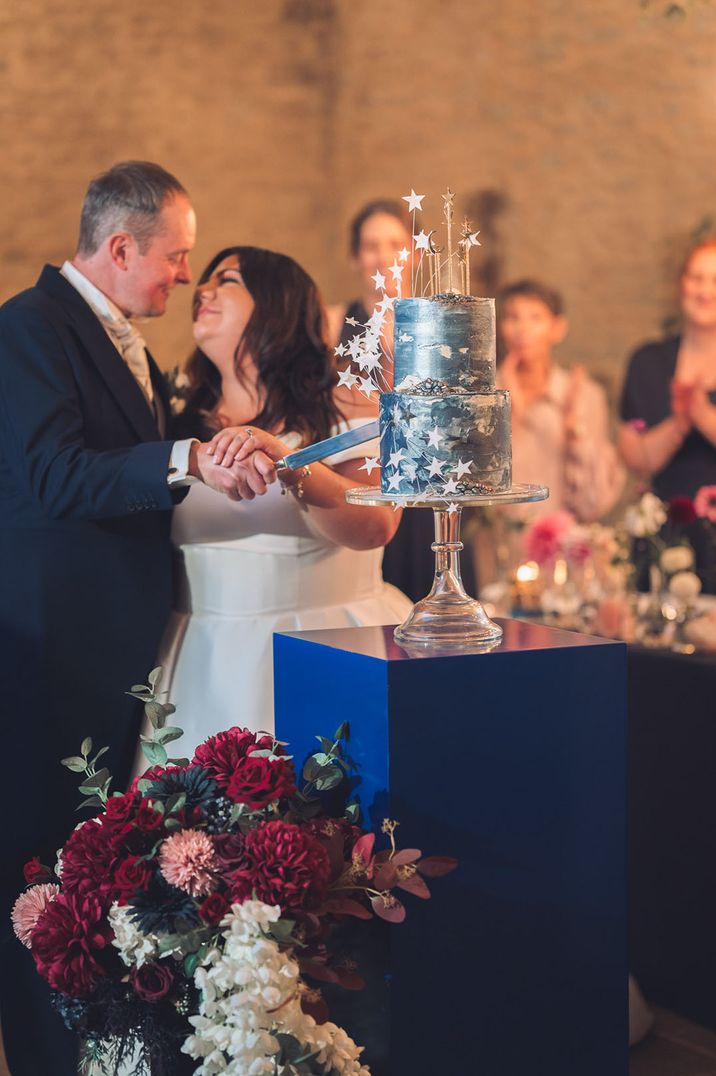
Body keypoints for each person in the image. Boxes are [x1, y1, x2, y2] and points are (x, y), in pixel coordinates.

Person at [0, 162, 267, 1076]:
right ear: (121, 248)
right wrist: (186, 454)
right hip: (52, 655)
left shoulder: (124, 341)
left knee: (86, 874)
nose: (182, 278)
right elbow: (52, 475)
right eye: (176, 258)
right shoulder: (29, 330)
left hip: (115, 650)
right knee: (39, 880)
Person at [147, 245, 411, 758]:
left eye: (227, 280)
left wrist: (290, 464)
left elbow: (376, 525)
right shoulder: (177, 417)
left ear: (278, 304)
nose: (201, 290)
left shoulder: (347, 403)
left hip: (326, 643)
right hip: (203, 654)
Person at [327, 200, 478, 601]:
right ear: (355, 255)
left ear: (413, 252)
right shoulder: (330, 322)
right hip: (367, 479)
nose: (384, 256)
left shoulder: (441, 323)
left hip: (432, 482)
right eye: (371, 245)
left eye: (396, 244)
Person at [498, 279, 625, 522]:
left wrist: (574, 430)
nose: (522, 329)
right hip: (499, 541)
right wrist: (509, 415)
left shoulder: (584, 395)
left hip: (562, 542)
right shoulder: (486, 395)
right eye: (513, 317)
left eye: (536, 318)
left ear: (558, 328)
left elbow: (595, 501)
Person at [619, 238, 716, 501]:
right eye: (696, 278)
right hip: (666, 528)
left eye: (715, 280)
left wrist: (703, 415)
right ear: (681, 284)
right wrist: (678, 426)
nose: (705, 291)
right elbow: (636, 460)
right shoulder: (648, 361)